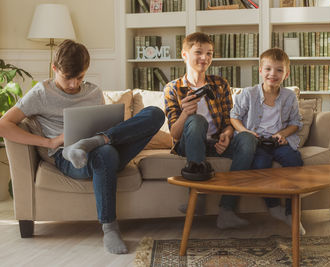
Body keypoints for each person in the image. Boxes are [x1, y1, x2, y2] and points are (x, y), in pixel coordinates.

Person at [0, 40, 165, 253]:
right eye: (68, 78)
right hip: (68, 157)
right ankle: (110, 228)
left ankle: (95, 141)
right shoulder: (41, 93)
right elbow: (4, 124)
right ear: (54, 68)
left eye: (80, 77)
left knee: (155, 113)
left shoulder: (94, 92)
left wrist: (106, 135)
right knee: (104, 153)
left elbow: (107, 125)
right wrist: (49, 142)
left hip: (106, 146)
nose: (74, 84)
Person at [164, 32, 258, 230]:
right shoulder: (173, 88)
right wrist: (185, 114)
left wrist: (227, 134)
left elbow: (229, 119)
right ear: (184, 55)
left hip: (215, 143)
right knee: (196, 120)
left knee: (249, 139)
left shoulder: (220, 84)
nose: (204, 58)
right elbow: (174, 134)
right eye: (198, 52)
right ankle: (197, 196)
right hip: (188, 143)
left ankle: (227, 210)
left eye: (209, 53)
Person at [230, 47, 306, 235]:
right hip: (257, 142)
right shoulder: (248, 94)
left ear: (286, 74)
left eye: (279, 70)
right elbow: (234, 117)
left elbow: (296, 123)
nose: (273, 74)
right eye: (268, 69)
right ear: (260, 70)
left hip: (278, 141)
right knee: (260, 166)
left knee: (295, 161)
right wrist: (246, 132)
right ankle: (274, 207)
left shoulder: (289, 97)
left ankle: (292, 213)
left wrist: (283, 134)